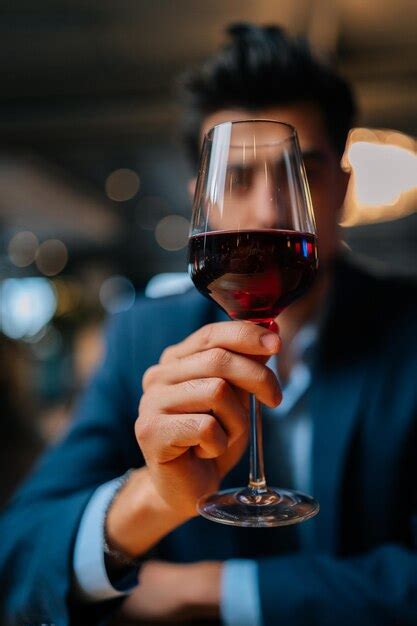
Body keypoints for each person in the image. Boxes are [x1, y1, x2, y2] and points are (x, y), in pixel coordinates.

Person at [1, 23, 417, 626]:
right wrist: (155, 497)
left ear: (344, 189)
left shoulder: (407, 330)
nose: (270, 209)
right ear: (203, 199)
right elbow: (17, 558)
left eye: (300, 172)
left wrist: (208, 588)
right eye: (240, 178)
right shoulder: (142, 336)